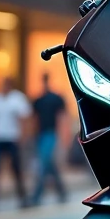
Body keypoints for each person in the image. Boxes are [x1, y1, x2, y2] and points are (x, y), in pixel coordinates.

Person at [0, 77, 32, 212]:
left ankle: (23, 198)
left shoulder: (17, 99)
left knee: (16, 169)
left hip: (12, 138)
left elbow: (23, 119)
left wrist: (23, 136)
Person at [32, 73, 67, 205]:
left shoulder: (55, 99)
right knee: (49, 164)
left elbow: (61, 118)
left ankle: (37, 195)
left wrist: (63, 137)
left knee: (44, 163)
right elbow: (35, 119)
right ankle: (62, 191)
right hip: (42, 135)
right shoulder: (39, 100)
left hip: (51, 134)